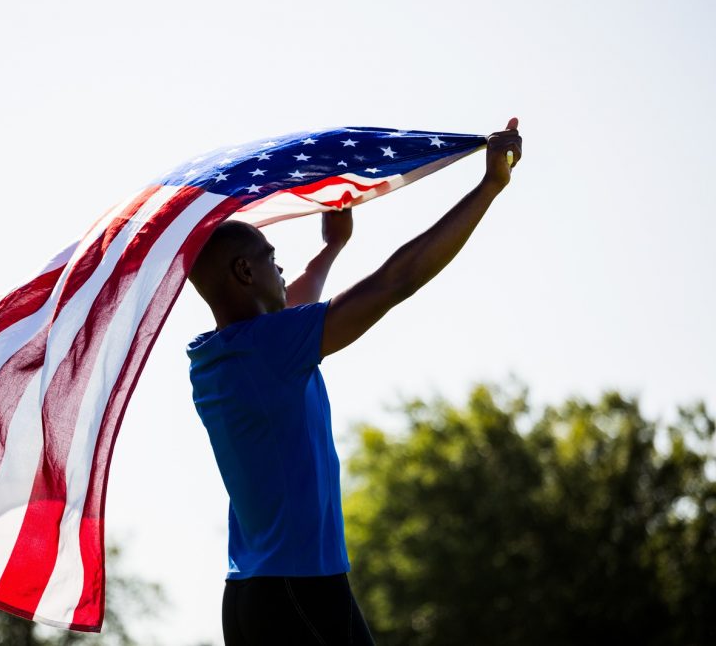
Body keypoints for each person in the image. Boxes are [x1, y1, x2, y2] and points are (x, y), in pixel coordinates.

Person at [185, 118, 523, 645]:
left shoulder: (220, 356)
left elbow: (293, 302)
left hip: (272, 592)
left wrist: (332, 247)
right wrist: (488, 188)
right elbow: (396, 280)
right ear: (244, 274)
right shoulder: (272, 348)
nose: (282, 269)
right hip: (294, 592)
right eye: (270, 259)